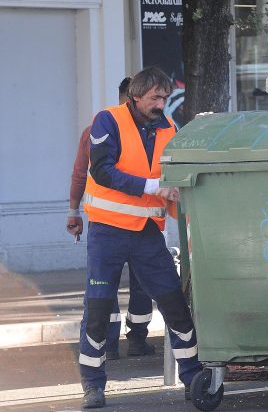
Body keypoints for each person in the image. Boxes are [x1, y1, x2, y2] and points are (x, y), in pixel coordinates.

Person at [78, 67, 200, 408]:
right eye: (154, 98)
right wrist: (152, 187)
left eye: (164, 97)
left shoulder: (168, 128)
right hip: (107, 232)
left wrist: (179, 206)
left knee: (174, 303)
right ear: (135, 97)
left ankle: (193, 376)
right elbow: (102, 170)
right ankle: (93, 384)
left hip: (147, 233)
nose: (161, 104)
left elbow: (173, 177)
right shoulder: (108, 120)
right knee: (99, 309)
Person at [67, 77, 155, 360]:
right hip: (143, 223)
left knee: (105, 284)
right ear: (134, 97)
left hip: (106, 224)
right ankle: (138, 340)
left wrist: (73, 212)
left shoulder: (93, 130)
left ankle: (109, 344)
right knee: (141, 282)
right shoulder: (149, 133)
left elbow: (80, 174)